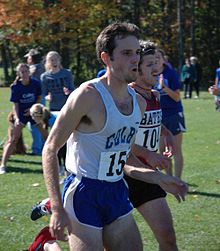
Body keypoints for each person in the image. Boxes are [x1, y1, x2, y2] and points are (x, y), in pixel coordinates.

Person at [42, 22, 145, 251]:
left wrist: (158, 177)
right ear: (106, 58)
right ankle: (49, 247)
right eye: (127, 53)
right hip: (83, 192)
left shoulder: (139, 102)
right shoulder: (87, 96)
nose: (135, 59)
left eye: (137, 52)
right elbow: (50, 148)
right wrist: (58, 208)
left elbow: (122, 154)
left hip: (116, 189)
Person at [124, 41, 184, 251]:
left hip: (148, 176)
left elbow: (152, 123)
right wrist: (147, 153)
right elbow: (120, 141)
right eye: (150, 64)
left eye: (157, 62)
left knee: (167, 237)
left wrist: (165, 133)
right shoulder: (128, 97)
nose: (157, 67)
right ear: (136, 68)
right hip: (120, 176)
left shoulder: (155, 95)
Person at [0, 63, 41, 174]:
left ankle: (60, 165)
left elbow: (38, 98)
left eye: (26, 71)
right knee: (13, 138)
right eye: (22, 72)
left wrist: (33, 109)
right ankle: (3, 165)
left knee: (47, 136)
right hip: (21, 113)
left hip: (33, 112)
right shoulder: (15, 86)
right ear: (19, 73)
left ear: (29, 72)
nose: (25, 74)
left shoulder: (36, 83)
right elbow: (15, 105)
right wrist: (17, 119)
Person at [154, 48, 186, 179]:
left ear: (163, 59)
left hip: (174, 115)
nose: (155, 60)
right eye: (153, 57)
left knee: (176, 149)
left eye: (158, 57)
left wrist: (164, 88)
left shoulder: (171, 73)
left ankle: (177, 180)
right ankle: (168, 179)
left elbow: (177, 97)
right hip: (158, 116)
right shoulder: (148, 73)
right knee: (162, 150)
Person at [30, 103, 68, 178]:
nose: (32, 118)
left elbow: (53, 139)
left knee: (61, 152)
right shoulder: (48, 117)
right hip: (66, 133)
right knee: (58, 150)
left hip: (70, 133)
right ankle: (62, 172)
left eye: (32, 116)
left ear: (37, 116)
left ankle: (63, 173)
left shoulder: (53, 120)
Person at [24, 48, 45, 155]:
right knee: (40, 123)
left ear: (31, 58)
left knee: (34, 125)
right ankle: (41, 147)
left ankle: (37, 149)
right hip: (42, 99)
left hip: (35, 100)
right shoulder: (42, 68)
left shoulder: (33, 69)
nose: (27, 59)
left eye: (28, 57)